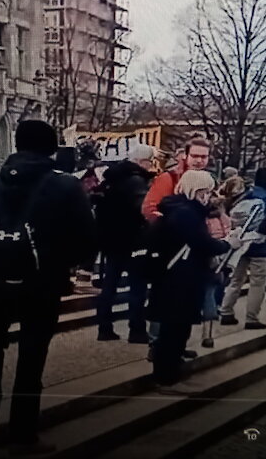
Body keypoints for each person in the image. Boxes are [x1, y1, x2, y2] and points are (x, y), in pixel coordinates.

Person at [0, 120, 96, 455]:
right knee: (32, 354)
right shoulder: (65, 186)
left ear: (17, 144)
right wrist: (64, 264)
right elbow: (86, 237)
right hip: (43, 281)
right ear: (51, 148)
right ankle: (23, 433)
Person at [146, 170, 237, 394]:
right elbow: (200, 242)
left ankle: (170, 370)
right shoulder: (186, 213)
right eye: (205, 191)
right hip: (179, 278)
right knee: (173, 328)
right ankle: (165, 374)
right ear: (195, 190)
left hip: (178, 277)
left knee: (177, 326)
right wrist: (227, 244)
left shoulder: (181, 210)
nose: (208, 195)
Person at [95, 144, 157, 343]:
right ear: (141, 162)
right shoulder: (136, 181)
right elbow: (142, 209)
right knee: (137, 286)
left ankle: (104, 328)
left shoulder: (111, 178)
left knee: (109, 286)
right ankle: (136, 330)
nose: (151, 166)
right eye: (150, 161)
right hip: (133, 240)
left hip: (111, 239)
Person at [219, 167, 266, 330]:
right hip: (261, 246)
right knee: (258, 282)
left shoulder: (247, 195)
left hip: (240, 244)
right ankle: (251, 318)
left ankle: (225, 311)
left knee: (236, 279)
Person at [199, 178, 236, 348]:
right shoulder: (222, 217)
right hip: (219, 257)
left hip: (201, 256)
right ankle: (207, 333)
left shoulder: (200, 217)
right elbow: (229, 232)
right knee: (210, 294)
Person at [142, 138, 212, 221]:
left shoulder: (209, 180)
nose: (199, 160)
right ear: (185, 155)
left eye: (203, 157)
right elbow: (150, 208)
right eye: (194, 156)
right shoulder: (169, 178)